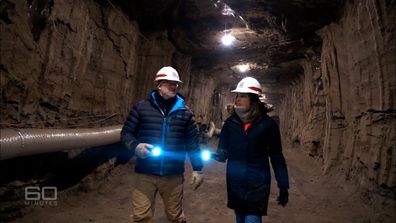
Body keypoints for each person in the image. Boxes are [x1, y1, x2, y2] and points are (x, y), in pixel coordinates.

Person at [120, 66, 204, 223]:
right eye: (169, 83)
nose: (174, 86)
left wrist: (198, 169)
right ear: (158, 84)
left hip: (173, 175)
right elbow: (126, 133)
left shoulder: (185, 113)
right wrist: (135, 146)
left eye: (176, 84)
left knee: (175, 217)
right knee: (141, 217)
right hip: (145, 173)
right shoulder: (141, 108)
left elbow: (193, 144)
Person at [214, 77, 289, 223]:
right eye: (237, 96)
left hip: (258, 183)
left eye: (243, 96)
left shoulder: (268, 125)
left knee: (252, 219)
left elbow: (276, 156)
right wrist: (215, 156)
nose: (238, 99)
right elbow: (222, 153)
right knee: (240, 218)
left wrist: (283, 185)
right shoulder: (230, 124)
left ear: (253, 99)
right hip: (236, 182)